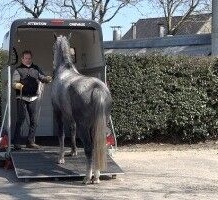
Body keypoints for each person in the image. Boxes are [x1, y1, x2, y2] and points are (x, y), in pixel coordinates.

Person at [12, 50, 52, 150]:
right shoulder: (18, 70)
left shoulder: (36, 68)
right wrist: (17, 85)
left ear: (31, 58)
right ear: (22, 59)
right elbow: (13, 83)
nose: (28, 60)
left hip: (33, 98)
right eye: (26, 58)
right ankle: (16, 143)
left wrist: (47, 79)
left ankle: (30, 142)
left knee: (34, 121)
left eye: (29, 58)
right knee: (20, 120)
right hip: (21, 97)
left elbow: (42, 77)